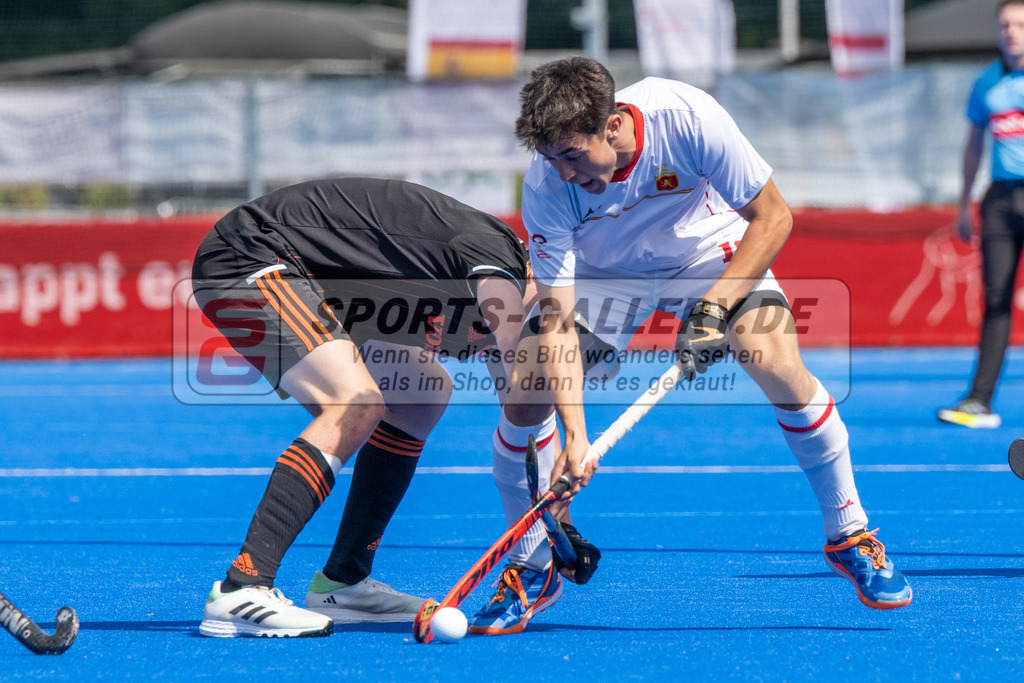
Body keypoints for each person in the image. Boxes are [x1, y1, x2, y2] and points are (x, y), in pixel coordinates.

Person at [468, 57, 914, 635]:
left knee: (771, 355)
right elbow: (556, 317)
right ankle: (532, 565)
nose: (565, 172)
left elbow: (773, 216)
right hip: (607, 274)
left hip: (706, 254)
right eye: (552, 159)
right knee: (526, 392)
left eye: (573, 157)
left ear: (611, 125)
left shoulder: (687, 116)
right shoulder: (548, 180)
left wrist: (714, 307)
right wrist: (575, 439)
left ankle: (849, 532)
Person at [191, 177, 545, 638]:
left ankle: (343, 581)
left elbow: (524, 419)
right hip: (251, 254)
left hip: (314, 282)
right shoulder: (498, 258)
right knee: (355, 401)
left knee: (423, 393)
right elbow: (519, 356)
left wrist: (556, 519)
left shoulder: (505, 297)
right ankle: (242, 587)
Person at [938, 0, 1024, 430]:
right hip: (1001, 200)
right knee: (995, 300)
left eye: (1020, 25)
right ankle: (979, 400)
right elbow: (973, 146)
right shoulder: (986, 83)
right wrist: (963, 201)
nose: (1011, 32)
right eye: (1005, 25)